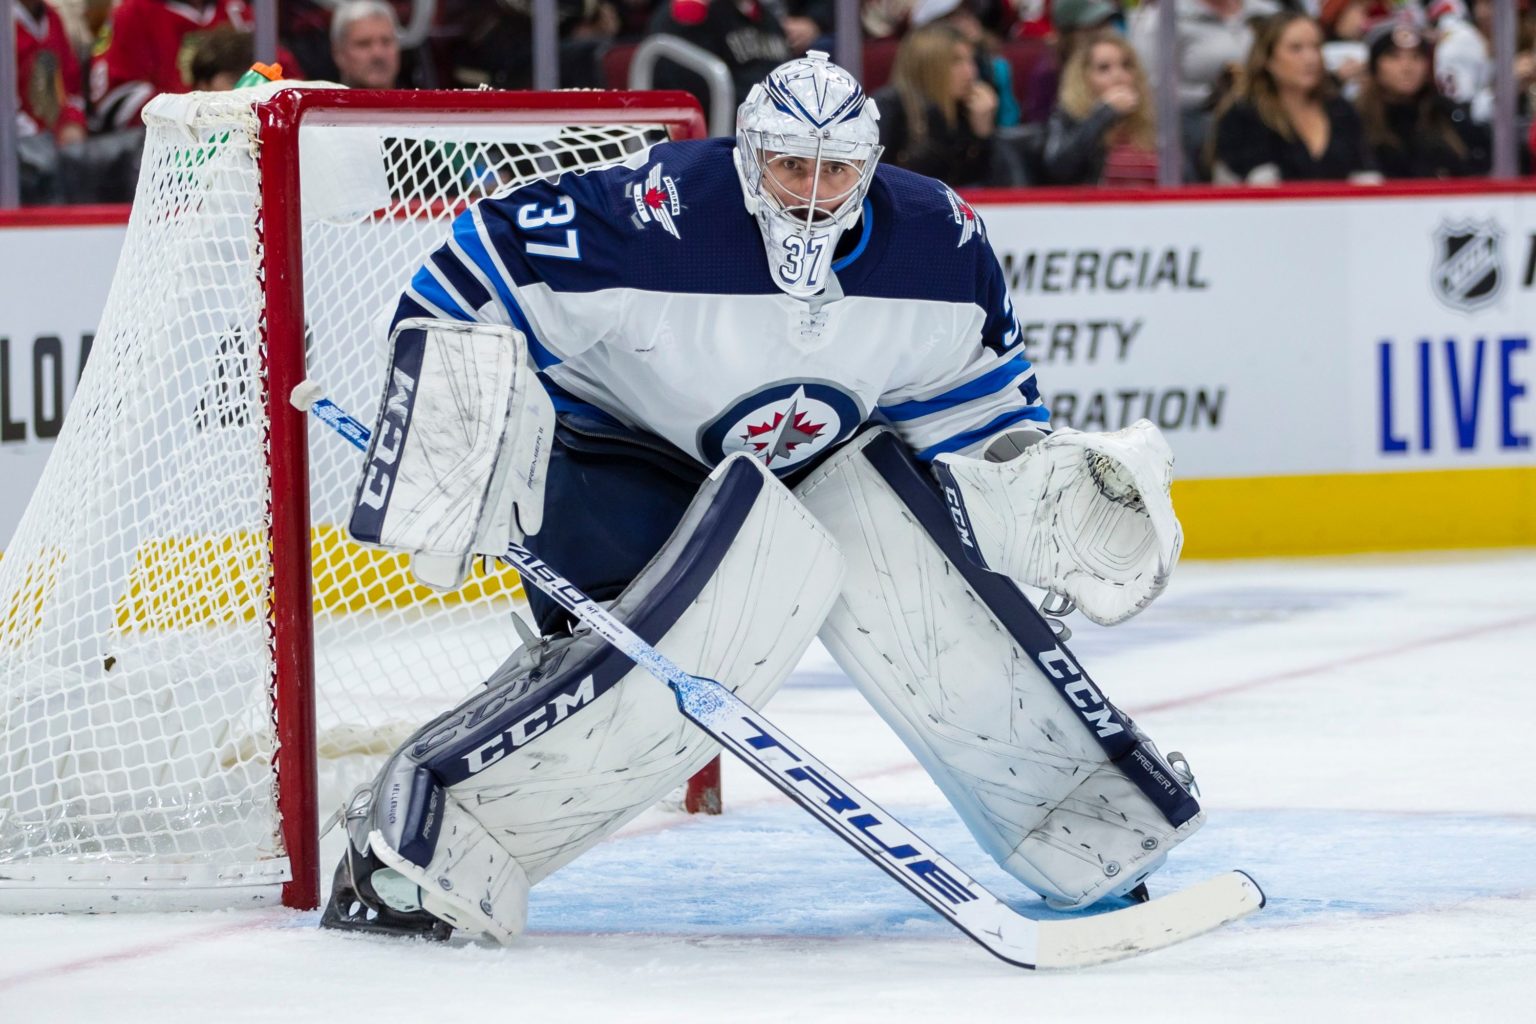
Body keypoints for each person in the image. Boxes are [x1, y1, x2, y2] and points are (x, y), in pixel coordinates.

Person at [314, 50, 1200, 944]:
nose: (812, 192)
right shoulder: (651, 211)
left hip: (815, 463)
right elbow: (463, 280)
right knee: (724, 605)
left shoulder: (940, 239)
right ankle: (418, 849)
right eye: (790, 166)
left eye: (837, 170)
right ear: (748, 157)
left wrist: (1036, 484)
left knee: (892, 530)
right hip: (617, 464)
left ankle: (1085, 816)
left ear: (872, 165)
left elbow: (978, 412)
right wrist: (454, 433)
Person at [1211, 11, 1376, 183]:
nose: (1310, 58)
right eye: (1296, 48)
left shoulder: (1341, 110)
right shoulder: (1243, 115)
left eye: (1316, 47)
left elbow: (1364, 172)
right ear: (1267, 58)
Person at [87, 0, 253, 132]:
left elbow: (273, 73)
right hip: (161, 154)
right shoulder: (132, 12)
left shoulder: (235, 10)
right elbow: (113, 102)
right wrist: (196, 112)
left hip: (238, 140)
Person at [1356, 20, 1489, 178]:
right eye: (1394, 57)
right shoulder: (1355, 119)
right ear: (1374, 66)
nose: (1407, 67)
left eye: (1416, 57)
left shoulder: (1447, 113)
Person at [874, 24, 999, 186]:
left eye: (971, 61)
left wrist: (983, 135)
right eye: (956, 62)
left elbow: (981, 185)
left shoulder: (967, 110)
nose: (971, 73)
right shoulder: (890, 108)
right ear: (928, 66)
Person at [1040, 29, 1159, 185]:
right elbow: (1059, 169)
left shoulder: (1154, 122)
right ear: (1083, 78)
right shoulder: (1069, 120)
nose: (1118, 76)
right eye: (1104, 68)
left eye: (1126, 66)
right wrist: (1104, 114)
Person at [330, 0, 402, 89]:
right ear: (339, 53)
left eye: (386, 42)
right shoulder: (317, 103)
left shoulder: (419, 102)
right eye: (364, 44)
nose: (378, 54)